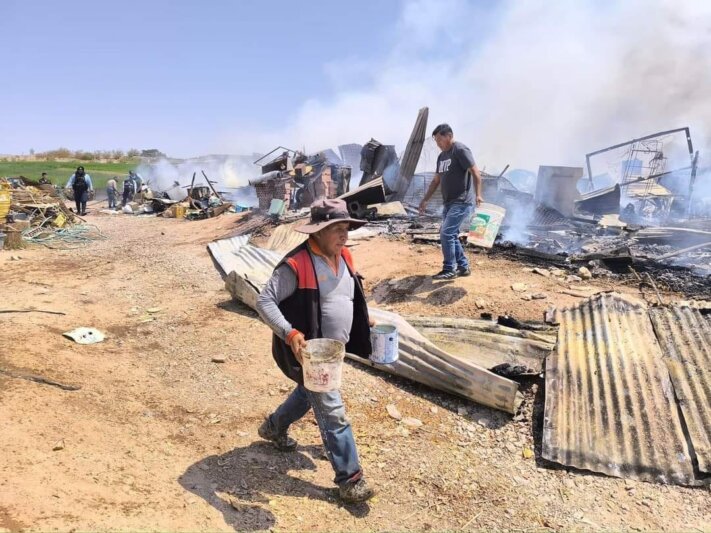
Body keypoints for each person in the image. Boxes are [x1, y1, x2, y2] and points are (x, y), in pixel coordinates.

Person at [255, 198, 376, 504]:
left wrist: (364, 317)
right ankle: (350, 480)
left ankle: (274, 427)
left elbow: (347, 295)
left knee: (308, 393)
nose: (344, 234)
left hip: (335, 351)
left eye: (347, 227)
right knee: (333, 412)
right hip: (312, 354)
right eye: (337, 228)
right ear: (318, 231)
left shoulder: (344, 255)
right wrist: (290, 332)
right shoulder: (296, 264)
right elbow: (264, 301)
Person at [419, 123, 483, 279]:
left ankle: (449, 269)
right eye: (436, 142)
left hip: (462, 201)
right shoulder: (441, 157)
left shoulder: (460, 150)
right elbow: (436, 181)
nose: (438, 145)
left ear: (449, 136)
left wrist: (478, 195)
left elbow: (475, 172)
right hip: (448, 202)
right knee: (451, 234)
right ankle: (463, 266)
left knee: (446, 233)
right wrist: (425, 200)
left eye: (440, 140)